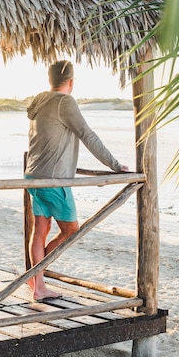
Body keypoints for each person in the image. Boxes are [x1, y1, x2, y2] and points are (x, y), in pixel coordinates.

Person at [24, 60, 128, 301]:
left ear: (50, 80)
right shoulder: (64, 101)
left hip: (33, 174)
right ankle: (36, 278)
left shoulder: (39, 101)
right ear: (71, 82)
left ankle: (36, 284)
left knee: (41, 229)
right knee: (71, 230)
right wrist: (115, 165)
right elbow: (87, 135)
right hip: (53, 179)